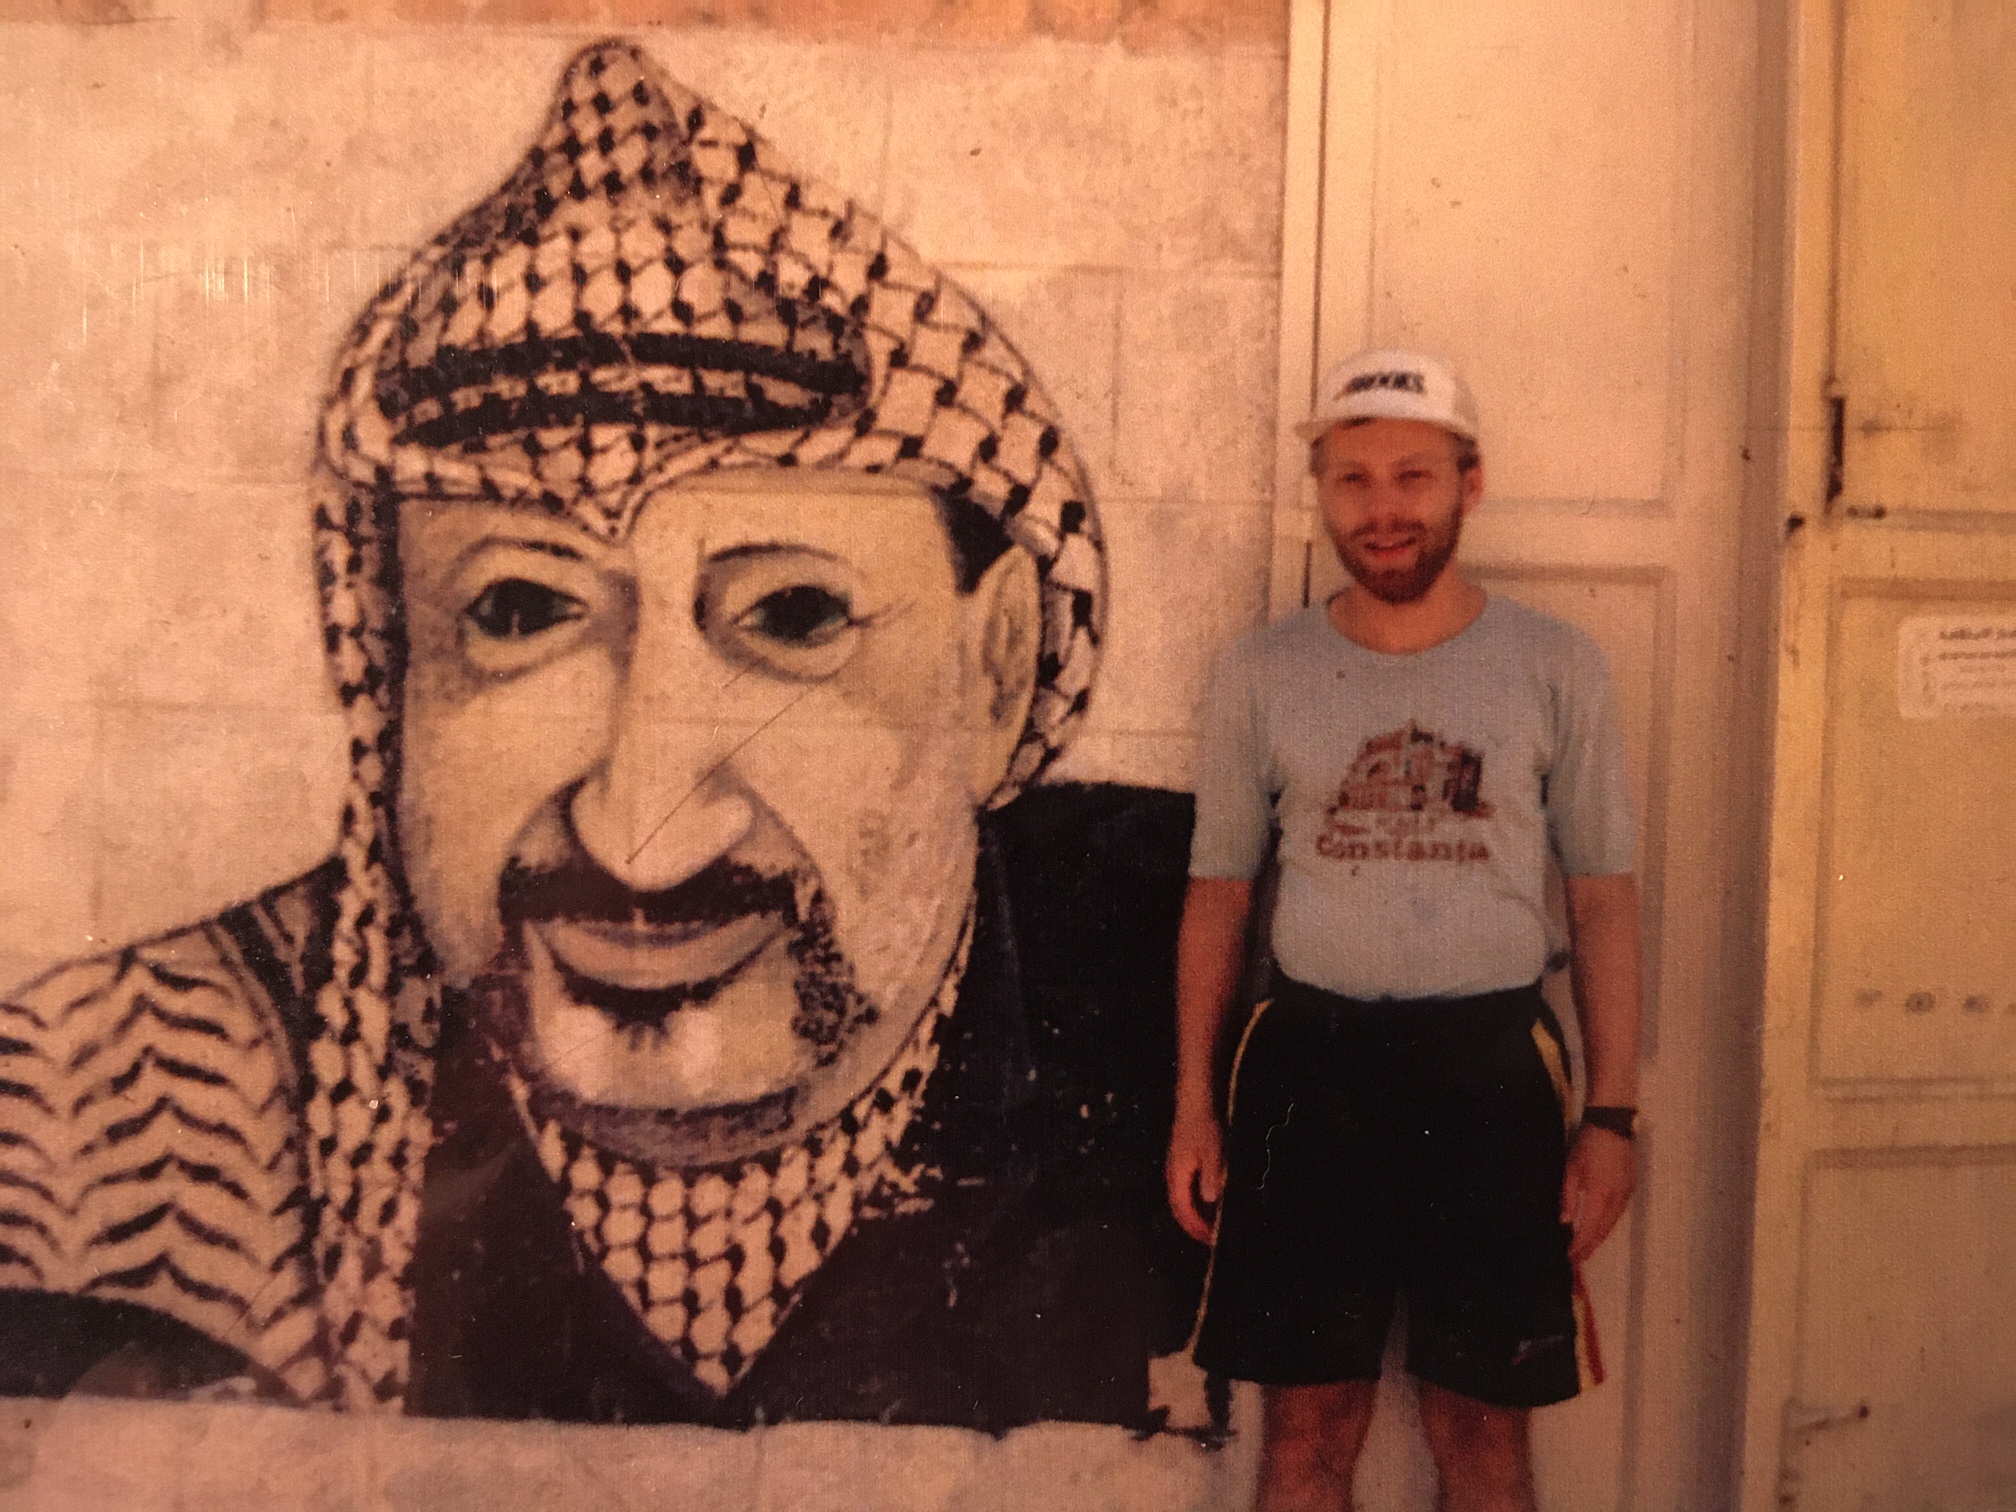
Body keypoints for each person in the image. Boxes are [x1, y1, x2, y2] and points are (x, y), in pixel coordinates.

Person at [0, 38, 1200, 1431]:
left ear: (994, 675)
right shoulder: (121, 1112)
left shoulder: (1184, 977)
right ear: (395, 669)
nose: (644, 823)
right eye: (519, 611)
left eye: (792, 615)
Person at [1165, 349, 1642, 1511]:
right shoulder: (1262, 672)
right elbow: (1220, 891)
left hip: (1492, 1075)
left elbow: (1603, 895)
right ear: (1323, 493)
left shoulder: (1556, 667)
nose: (1383, 510)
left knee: (1480, 1430)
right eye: (1353, 479)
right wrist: (1194, 1104)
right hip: (1306, 1073)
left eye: (1413, 476)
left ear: (1470, 484)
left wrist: (1612, 1117)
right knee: (1307, 1430)